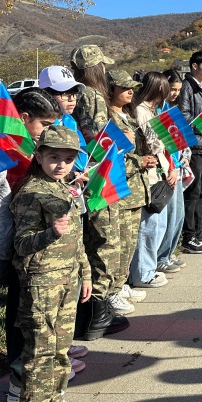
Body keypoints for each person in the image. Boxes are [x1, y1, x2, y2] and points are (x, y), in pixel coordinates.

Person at [11, 125, 90, 402]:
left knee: (61, 347)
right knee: (41, 350)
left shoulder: (62, 187)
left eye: (68, 159)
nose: (61, 165)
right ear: (39, 156)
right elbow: (21, 244)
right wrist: (50, 234)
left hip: (68, 277)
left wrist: (86, 275)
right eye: (54, 157)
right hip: (42, 281)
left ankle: (55, 400)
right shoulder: (32, 193)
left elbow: (78, 237)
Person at [69, 45, 128, 341]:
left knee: (98, 239)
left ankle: (97, 309)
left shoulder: (77, 93)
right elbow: (96, 138)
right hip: (99, 176)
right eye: (103, 67)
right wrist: (123, 142)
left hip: (93, 174)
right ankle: (97, 313)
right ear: (96, 69)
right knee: (105, 240)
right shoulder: (90, 95)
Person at [107, 70, 155, 317]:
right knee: (118, 242)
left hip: (135, 187)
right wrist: (140, 161)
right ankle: (112, 290)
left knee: (129, 242)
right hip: (121, 188)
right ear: (111, 89)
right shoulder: (108, 118)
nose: (130, 91)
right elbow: (112, 158)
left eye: (132, 87)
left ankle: (121, 284)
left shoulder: (125, 115)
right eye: (124, 87)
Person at [130, 72, 177, 288]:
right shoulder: (140, 110)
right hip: (149, 173)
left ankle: (149, 267)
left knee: (158, 224)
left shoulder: (153, 110)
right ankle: (142, 272)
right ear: (159, 88)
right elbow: (150, 141)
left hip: (160, 170)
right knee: (148, 226)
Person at [179, 51, 202, 254]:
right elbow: (184, 117)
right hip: (195, 146)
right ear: (194, 66)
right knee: (193, 192)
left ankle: (199, 229)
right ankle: (188, 236)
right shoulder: (188, 87)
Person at [156, 69, 188, 272]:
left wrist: (184, 155)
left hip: (176, 166)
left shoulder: (170, 109)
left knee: (178, 215)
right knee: (166, 216)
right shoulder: (157, 111)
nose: (175, 93)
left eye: (178, 90)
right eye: (172, 89)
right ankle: (160, 257)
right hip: (166, 170)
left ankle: (167, 254)